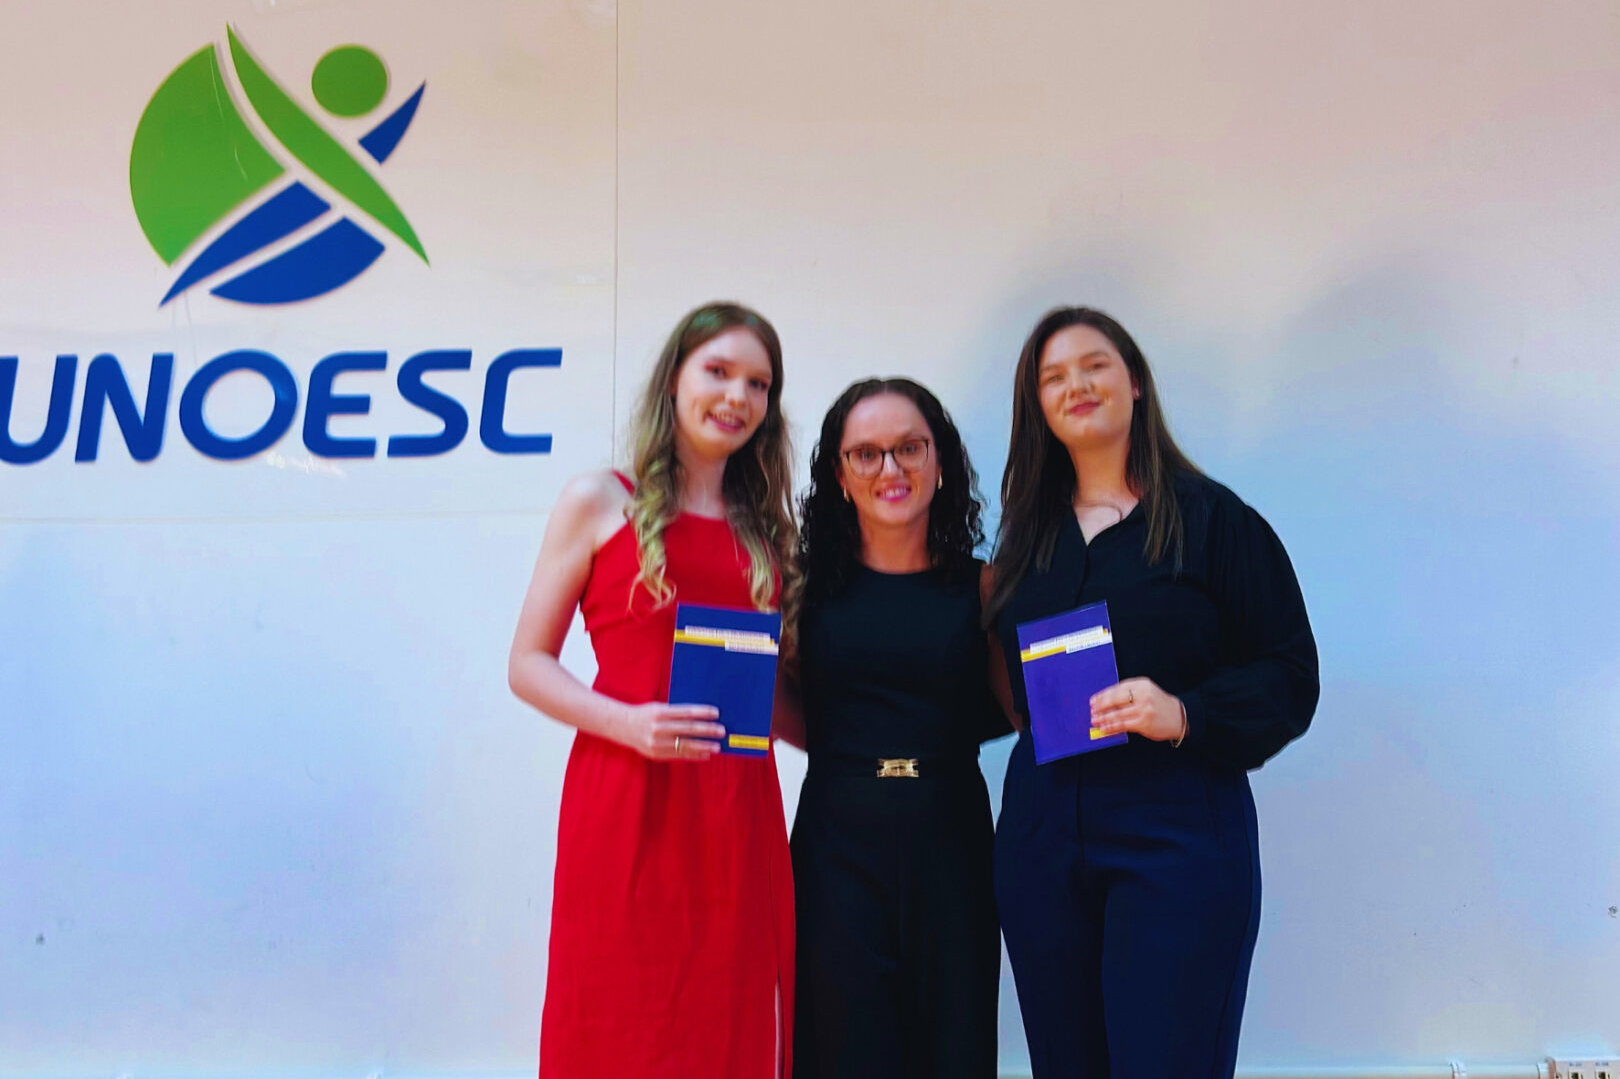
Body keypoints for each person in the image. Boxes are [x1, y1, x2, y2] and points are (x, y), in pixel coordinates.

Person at [984, 307, 1319, 1079]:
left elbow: (1291, 673)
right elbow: (1006, 686)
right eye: (1053, 377)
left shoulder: (1214, 521)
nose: (1076, 384)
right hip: (1042, 843)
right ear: (1037, 406)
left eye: (1094, 365)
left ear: (1134, 381)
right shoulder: (1026, 541)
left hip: (1177, 837)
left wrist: (1185, 714)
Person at [508, 302, 799, 1079]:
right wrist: (628, 724)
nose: (737, 396)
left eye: (758, 383)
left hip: (739, 813)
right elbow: (527, 663)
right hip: (627, 797)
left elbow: (773, 695)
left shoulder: (765, 532)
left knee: (730, 1027)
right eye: (718, 371)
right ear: (674, 379)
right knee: (619, 1018)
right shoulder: (599, 500)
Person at [778, 377, 1008, 1079]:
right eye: (866, 453)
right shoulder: (798, 591)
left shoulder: (986, 586)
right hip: (836, 848)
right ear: (839, 475)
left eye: (910, 448)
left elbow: (1021, 712)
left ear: (941, 463)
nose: (890, 469)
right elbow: (789, 713)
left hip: (954, 843)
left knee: (956, 1050)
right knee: (840, 1053)